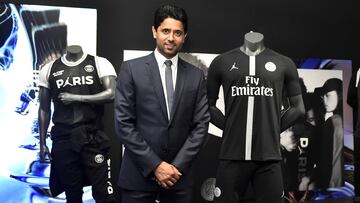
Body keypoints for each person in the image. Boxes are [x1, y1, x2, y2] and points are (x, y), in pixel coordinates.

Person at [114, 4, 210, 203]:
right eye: (165, 31)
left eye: (177, 33)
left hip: (179, 179)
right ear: (154, 31)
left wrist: (176, 168)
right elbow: (123, 124)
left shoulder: (196, 76)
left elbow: (201, 126)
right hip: (138, 179)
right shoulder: (131, 69)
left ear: (184, 36)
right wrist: (156, 166)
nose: (171, 38)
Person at [207, 31, 305, 203]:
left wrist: (271, 129)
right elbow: (207, 107)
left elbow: (298, 109)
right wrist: (231, 128)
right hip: (232, 155)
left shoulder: (284, 63)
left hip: (269, 157)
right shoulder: (222, 62)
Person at [38, 45, 117, 203]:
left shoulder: (99, 63)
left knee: (104, 194)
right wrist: (42, 143)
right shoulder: (49, 69)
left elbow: (111, 94)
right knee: (72, 195)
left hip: (93, 138)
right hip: (64, 140)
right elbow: (44, 108)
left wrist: (76, 98)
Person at [316, 78, 343, 189]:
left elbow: (325, 162)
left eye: (328, 96)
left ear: (340, 95)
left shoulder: (332, 122)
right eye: (323, 97)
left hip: (331, 185)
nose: (325, 102)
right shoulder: (346, 120)